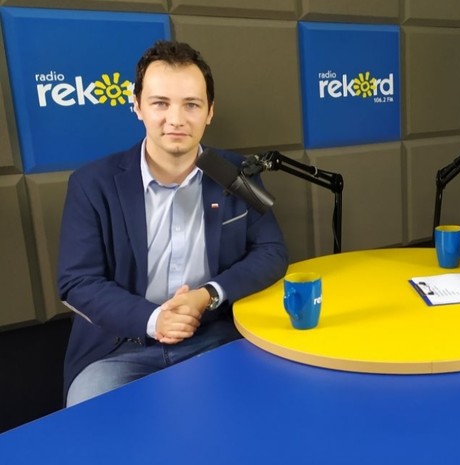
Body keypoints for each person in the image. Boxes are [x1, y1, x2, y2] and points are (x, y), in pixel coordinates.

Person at [58, 40, 289, 406]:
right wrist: (154, 319)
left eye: (191, 104)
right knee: (91, 429)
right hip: (119, 350)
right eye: (160, 103)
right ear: (137, 106)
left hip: (216, 337)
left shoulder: (236, 173)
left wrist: (207, 295)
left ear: (210, 112)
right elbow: (77, 281)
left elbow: (271, 251)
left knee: (271, 406)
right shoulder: (92, 184)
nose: (176, 119)